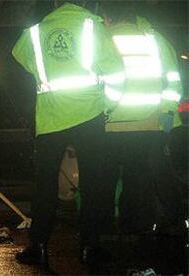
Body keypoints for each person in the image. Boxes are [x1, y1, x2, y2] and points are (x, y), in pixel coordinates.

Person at [12, 0, 124, 269]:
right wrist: (106, 106)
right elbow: (117, 73)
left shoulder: (36, 31)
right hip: (89, 115)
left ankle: (38, 246)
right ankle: (89, 247)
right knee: (92, 184)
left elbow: (19, 56)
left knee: (45, 185)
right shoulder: (92, 26)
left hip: (50, 120)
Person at [100, 3, 184, 235]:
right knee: (141, 177)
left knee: (106, 179)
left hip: (111, 124)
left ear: (107, 17)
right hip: (151, 123)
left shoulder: (102, 39)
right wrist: (167, 116)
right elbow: (173, 82)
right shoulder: (155, 40)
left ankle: (105, 230)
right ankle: (145, 226)